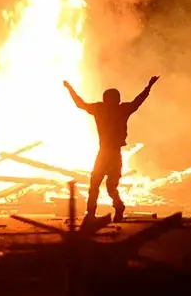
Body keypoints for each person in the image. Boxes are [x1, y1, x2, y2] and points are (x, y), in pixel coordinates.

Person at [63, 76, 159, 223]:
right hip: (112, 153)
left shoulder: (100, 109)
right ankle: (110, 209)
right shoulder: (121, 109)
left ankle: (97, 212)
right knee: (107, 186)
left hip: (106, 153)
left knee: (97, 184)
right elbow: (137, 101)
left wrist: (70, 89)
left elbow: (80, 104)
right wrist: (148, 86)